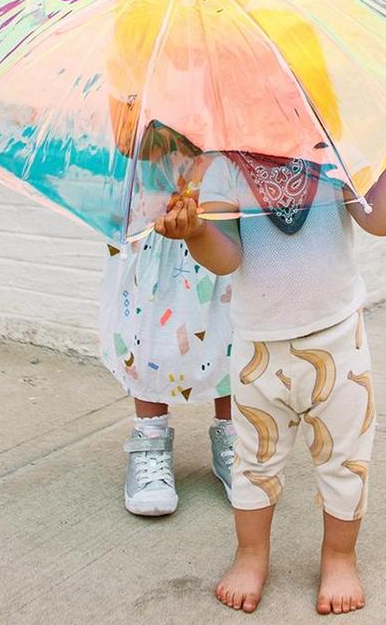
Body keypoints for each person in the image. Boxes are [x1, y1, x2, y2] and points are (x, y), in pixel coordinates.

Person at [153, 94, 386, 613]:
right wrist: (196, 234)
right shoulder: (221, 166)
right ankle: (251, 553)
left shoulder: (332, 148)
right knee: (254, 461)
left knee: (346, 459)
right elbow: (227, 256)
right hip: (259, 347)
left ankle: (339, 557)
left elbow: (382, 219)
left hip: (338, 338)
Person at [99, 122, 235, 517]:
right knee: (149, 337)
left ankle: (231, 435)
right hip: (153, 232)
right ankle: (151, 436)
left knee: (227, 333)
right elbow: (126, 143)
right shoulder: (142, 74)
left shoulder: (230, 83)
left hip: (218, 228)